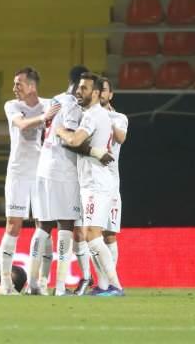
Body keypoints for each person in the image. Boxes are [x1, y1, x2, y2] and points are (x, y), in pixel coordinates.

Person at [56, 72, 124, 296]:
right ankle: (105, 286)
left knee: (93, 235)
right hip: (93, 181)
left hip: (95, 182)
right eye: (78, 88)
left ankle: (115, 286)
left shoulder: (92, 115)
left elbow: (75, 141)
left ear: (95, 93)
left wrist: (60, 131)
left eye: (84, 88)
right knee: (92, 234)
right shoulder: (96, 114)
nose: (78, 91)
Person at [0, 67, 60, 295]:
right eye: (14, 84)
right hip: (18, 173)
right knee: (13, 225)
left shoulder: (49, 104)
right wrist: (45, 118)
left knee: (44, 227)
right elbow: (22, 125)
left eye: (19, 84)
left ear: (32, 86)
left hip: (43, 174)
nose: (15, 88)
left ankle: (41, 282)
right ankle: (5, 283)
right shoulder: (12, 106)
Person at [27, 66, 88, 296]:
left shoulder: (56, 99)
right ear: (78, 83)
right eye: (85, 86)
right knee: (66, 225)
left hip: (43, 168)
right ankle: (61, 287)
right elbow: (70, 139)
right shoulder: (73, 103)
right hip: (63, 171)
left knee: (43, 225)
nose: (86, 91)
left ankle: (32, 284)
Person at [100, 77, 128, 267]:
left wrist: (104, 118)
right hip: (87, 182)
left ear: (111, 94)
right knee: (86, 234)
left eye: (104, 90)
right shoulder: (85, 116)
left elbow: (120, 138)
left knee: (109, 234)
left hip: (110, 183)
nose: (100, 93)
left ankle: (111, 281)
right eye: (97, 89)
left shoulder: (119, 118)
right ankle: (93, 279)